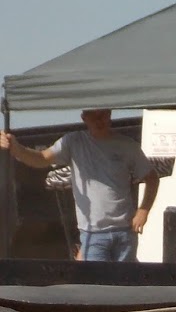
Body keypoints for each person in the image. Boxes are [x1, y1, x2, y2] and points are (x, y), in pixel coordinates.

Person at [0, 109, 161, 262]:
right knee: (96, 286)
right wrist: (16, 148)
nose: (99, 120)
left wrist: (143, 211)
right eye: (94, 116)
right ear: (84, 118)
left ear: (110, 114)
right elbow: (42, 158)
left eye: (103, 114)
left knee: (125, 286)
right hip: (93, 234)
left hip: (125, 232)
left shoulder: (127, 145)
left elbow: (152, 178)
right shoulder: (73, 142)